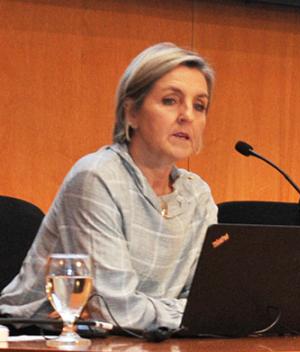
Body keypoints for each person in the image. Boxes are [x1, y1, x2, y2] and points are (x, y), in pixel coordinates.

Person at [0, 43, 217, 331]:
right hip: (38, 345)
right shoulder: (97, 177)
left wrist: (181, 314)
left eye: (199, 106)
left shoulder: (197, 195)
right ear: (131, 113)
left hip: (144, 343)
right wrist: (189, 315)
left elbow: (212, 306)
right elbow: (117, 309)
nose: (187, 115)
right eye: (170, 101)